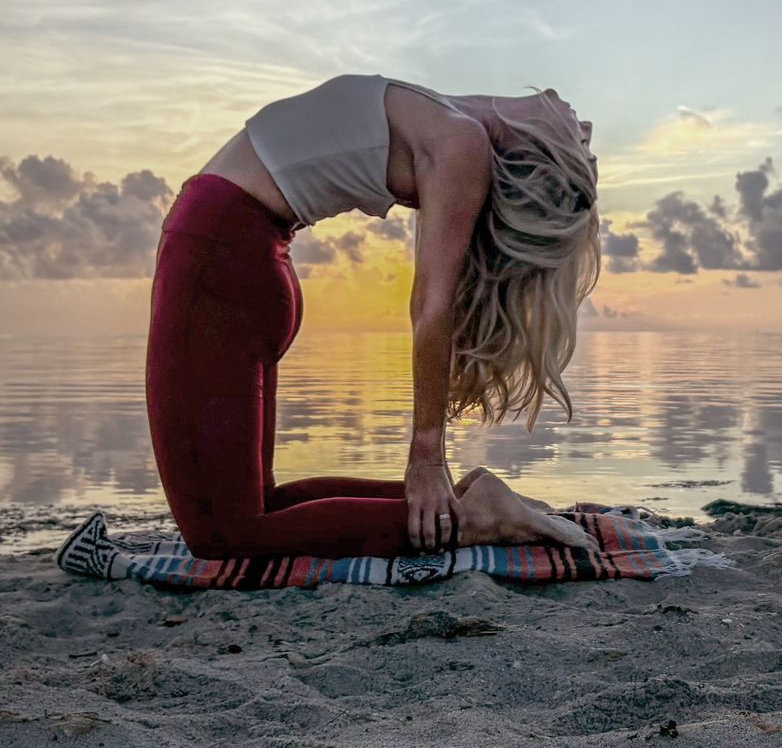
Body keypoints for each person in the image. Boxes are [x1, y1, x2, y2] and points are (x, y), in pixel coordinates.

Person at [145, 73, 602, 561]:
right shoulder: (448, 116)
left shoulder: (458, 143)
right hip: (239, 258)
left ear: (543, 157)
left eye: (585, 157)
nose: (588, 128)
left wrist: (427, 456)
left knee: (222, 537)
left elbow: (432, 304)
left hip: (220, 260)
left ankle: (475, 518)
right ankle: (469, 502)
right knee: (260, 507)